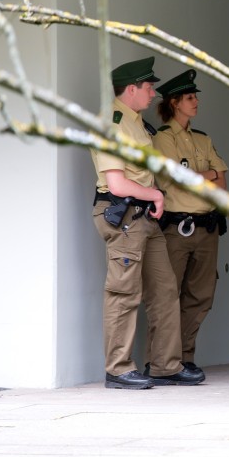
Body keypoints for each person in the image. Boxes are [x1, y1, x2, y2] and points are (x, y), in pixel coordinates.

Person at [91, 56, 205, 389]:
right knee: (124, 292)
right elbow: (116, 184)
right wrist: (155, 196)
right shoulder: (111, 124)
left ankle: (165, 365)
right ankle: (118, 368)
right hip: (124, 215)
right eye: (149, 86)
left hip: (143, 218)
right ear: (131, 88)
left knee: (166, 291)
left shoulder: (136, 122)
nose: (154, 93)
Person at [150, 68, 228, 377]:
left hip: (206, 226)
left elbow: (222, 185)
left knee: (201, 296)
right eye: (189, 98)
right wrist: (207, 174)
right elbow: (180, 182)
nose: (196, 102)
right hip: (177, 228)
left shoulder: (202, 138)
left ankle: (183, 358)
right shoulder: (162, 139)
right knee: (167, 296)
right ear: (174, 103)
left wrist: (205, 177)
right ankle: (160, 361)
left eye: (195, 97)